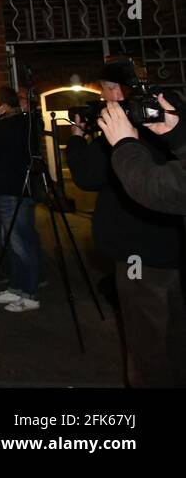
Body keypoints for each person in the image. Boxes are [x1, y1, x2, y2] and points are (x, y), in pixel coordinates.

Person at [67, 60, 184, 387]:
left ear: (116, 90)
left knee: (146, 348)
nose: (103, 97)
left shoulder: (124, 130)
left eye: (104, 90)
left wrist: (78, 137)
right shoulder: (169, 116)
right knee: (175, 337)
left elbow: (89, 176)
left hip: (139, 252)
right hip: (173, 247)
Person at [0, 87, 42, 311]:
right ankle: (16, 287)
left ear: (4, 106)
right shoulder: (23, 123)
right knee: (11, 242)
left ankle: (30, 293)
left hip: (11, 190)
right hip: (14, 189)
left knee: (20, 242)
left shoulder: (6, 126)